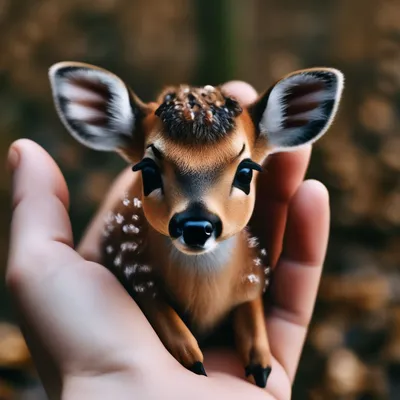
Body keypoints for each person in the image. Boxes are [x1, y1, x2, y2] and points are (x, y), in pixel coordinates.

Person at [5, 81, 329, 400]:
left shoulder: (248, 263)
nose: (199, 214)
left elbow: (246, 289)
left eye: (241, 175)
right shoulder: (131, 248)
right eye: (152, 174)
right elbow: (143, 285)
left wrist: (256, 336)